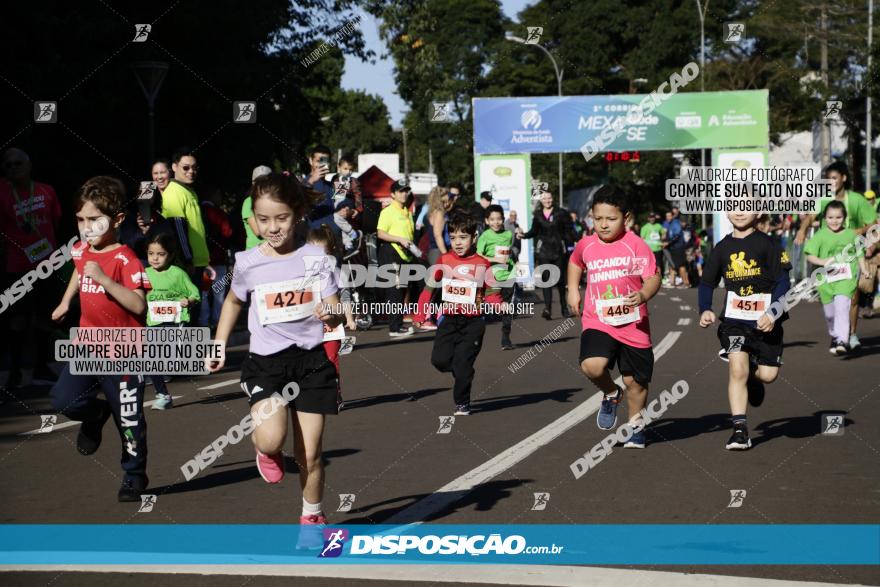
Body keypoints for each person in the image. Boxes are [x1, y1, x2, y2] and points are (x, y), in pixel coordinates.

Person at [208, 173, 343, 528]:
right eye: (263, 219)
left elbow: (336, 308)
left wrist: (329, 312)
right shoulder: (249, 262)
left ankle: (312, 515)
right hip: (267, 363)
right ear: (252, 217)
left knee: (310, 453)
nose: (272, 227)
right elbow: (234, 301)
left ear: (297, 213)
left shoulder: (315, 257)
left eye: (281, 218)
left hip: (312, 362)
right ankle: (264, 450)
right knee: (271, 439)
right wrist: (219, 343)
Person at [49, 176, 150, 501]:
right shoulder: (81, 249)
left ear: (118, 219)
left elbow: (138, 305)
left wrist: (105, 279)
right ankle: (94, 416)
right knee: (62, 400)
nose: (86, 227)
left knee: (130, 418)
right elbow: (80, 272)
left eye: (94, 219)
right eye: (80, 219)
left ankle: (133, 476)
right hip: (88, 347)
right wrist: (66, 302)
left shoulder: (126, 259)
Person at [566, 186, 661, 449]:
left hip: (633, 323)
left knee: (635, 381)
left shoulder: (636, 245)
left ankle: (635, 425)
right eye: (598, 219)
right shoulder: (587, 244)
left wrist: (643, 294)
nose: (604, 225)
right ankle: (610, 392)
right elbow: (575, 262)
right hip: (599, 320)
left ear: (626, 218)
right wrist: (573, 289)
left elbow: (653, 276)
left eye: (611, 219)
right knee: (591, 366)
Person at [699, 207, 791, 451]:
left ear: (759, 211)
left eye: (746, 206)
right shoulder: (721, 247)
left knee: (768, 375)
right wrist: (705, 309)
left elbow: (783, 281)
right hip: (734, 322)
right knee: (737, 369)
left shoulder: (769, 244)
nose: (739, 212)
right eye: (733, 206)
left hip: (766, 321)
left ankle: (754, 374)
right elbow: (707, 282)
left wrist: (773, 311)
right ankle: (739, 431)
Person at [413, 210, 491, 415]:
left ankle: (462, 402)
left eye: (463, 237)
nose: (457, 242)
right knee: (439, 361)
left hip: (473, 322)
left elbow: (491, 291)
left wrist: (497, 303)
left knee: (463, 365)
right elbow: (429, 288)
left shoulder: (482, 263)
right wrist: (421, 313)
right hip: (448, 320)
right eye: (453, 237)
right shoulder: (444, 259)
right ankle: (463, 370)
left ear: (474, 238)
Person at [794, 161, 877, 349]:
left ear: (843, 178)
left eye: (834, 178)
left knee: (850, 297)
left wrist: (860, 234)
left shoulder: (856, 200)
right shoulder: (823, 199)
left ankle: (850, 334)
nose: (830, 182)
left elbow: (874, 223)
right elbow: (810, 217)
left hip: (850, 255)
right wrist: (802, 230)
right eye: (827, 179)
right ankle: (838, 334)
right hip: (828, 258)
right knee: (830, 301)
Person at [0, 147, 62, 387]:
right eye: (8, 165)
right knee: (17, 318)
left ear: (29, 165)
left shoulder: (47, 191)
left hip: (47, 263)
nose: (13, 168)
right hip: (16, 266)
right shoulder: (2, 192)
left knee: (46, 316)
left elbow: (55, 221)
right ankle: (14, 370)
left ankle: (40, 368)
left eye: (18, 163)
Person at [804, 201, 868, 355]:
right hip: (826, 280)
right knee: (830, 313)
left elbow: (859, 253)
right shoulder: (821, 235)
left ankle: (842, 340)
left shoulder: (851, 234)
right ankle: (834, 335)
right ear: (825, 218)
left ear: (844, 218)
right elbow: (809, 255)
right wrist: (822, 261)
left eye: (838, 217)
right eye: (831, 217)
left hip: (847, 277)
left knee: (842, 306)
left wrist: (864, 269)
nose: (835, 220)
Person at [144, 232, 200, 409]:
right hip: (153, 322)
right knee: (151, 358)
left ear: (171, 255)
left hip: (174, 321)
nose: (155, 258)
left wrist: (189, 300)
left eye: (161, 254)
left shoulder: (178, 274)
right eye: (151, 253)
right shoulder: (144, 274)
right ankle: (163, 394)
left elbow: (195, 293)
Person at [516, 190, 575, 320]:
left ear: (552, 199)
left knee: (560, 281)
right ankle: (547, 309)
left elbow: (568, 230)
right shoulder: (537, 215)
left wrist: (572, 240)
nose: (547, 200)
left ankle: (564, 307)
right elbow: (534, 231)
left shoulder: (560, 213)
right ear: (541, 201)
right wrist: (524, 235)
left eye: (549, 198)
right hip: (543, 252)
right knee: (546, 281)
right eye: (544, 198)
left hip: (559, 251)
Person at [161, 147, 210, 284]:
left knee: (196, 303)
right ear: (174, 167)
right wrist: (187, 260)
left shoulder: (189, 191)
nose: (191, 172)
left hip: (197, 262)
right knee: (188, 304)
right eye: (186, 168)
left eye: (194, 168)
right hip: (186, 264)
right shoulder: (173, 192)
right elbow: (178, 228)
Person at [377, 179, 417, 337]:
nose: (404, 193)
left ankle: (398, 324)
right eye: (401, 191)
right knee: (394, 291)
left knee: (401, 290)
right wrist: (399, 239)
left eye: (406, 190)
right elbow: (380, 233)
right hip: (390, 251)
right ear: (392, 194)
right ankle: (395, 328)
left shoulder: (407, 211)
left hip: (405, 254)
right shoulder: (388, 211)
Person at [478, 204, 516, 350]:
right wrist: (495, 259)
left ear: (503, 219)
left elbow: (507, 252)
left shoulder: (508, 234)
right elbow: (478, 255)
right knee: (495, 306)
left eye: (499, 219)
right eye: (492, 219)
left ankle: (505, 338)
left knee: (507, 307)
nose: (496, 222)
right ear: (487, 221)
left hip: (509, 275)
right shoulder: (485, 236)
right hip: (492, 276)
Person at [199, 188, 234, 327]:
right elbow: (228, 232)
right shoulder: (219, 213)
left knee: (204, 293)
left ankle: (203, 322)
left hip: (201, 260)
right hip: (218, 259)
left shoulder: (197, 211)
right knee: (219, 292)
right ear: (214, 195)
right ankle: (217, 322)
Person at [301, 145, 336, 230]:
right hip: (315, 238)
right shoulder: (303, 184)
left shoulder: (333, 184)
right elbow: (296, 204)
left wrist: (351, 210)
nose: (321, 165)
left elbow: (340, 206)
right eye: (318, 161)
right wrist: (311, 181)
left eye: (325, 161)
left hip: (336, 237)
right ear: (310, 160)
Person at [242, 165, 272, 249]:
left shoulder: (277, 200)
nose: (262, 184)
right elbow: (258, 231)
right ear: (253, 184)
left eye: (266, 181)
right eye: (259, 181)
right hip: (255, 253)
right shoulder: (248, 202)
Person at [663, 209, 690, 288]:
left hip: (678, 247)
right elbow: (670, 236)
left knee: (681, 266)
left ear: (673, 216)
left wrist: (668, 243)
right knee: (673, 265)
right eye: (666, 216)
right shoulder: (670, 224)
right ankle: (672, 282)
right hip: (673, 248)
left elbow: (677, 235)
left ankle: (686, 283)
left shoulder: (676, 223)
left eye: (669, 216)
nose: (668, 217)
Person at [330, 155, 362, 220]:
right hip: (336, 203)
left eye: (351, 170)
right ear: (339, 168)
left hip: (348, 204)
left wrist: (358, 210)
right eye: (345, 169)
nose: (348, 172)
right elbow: (332, 192)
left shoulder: (353, 181)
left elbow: (358, 196)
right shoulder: (335, 178)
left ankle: (349, 230)